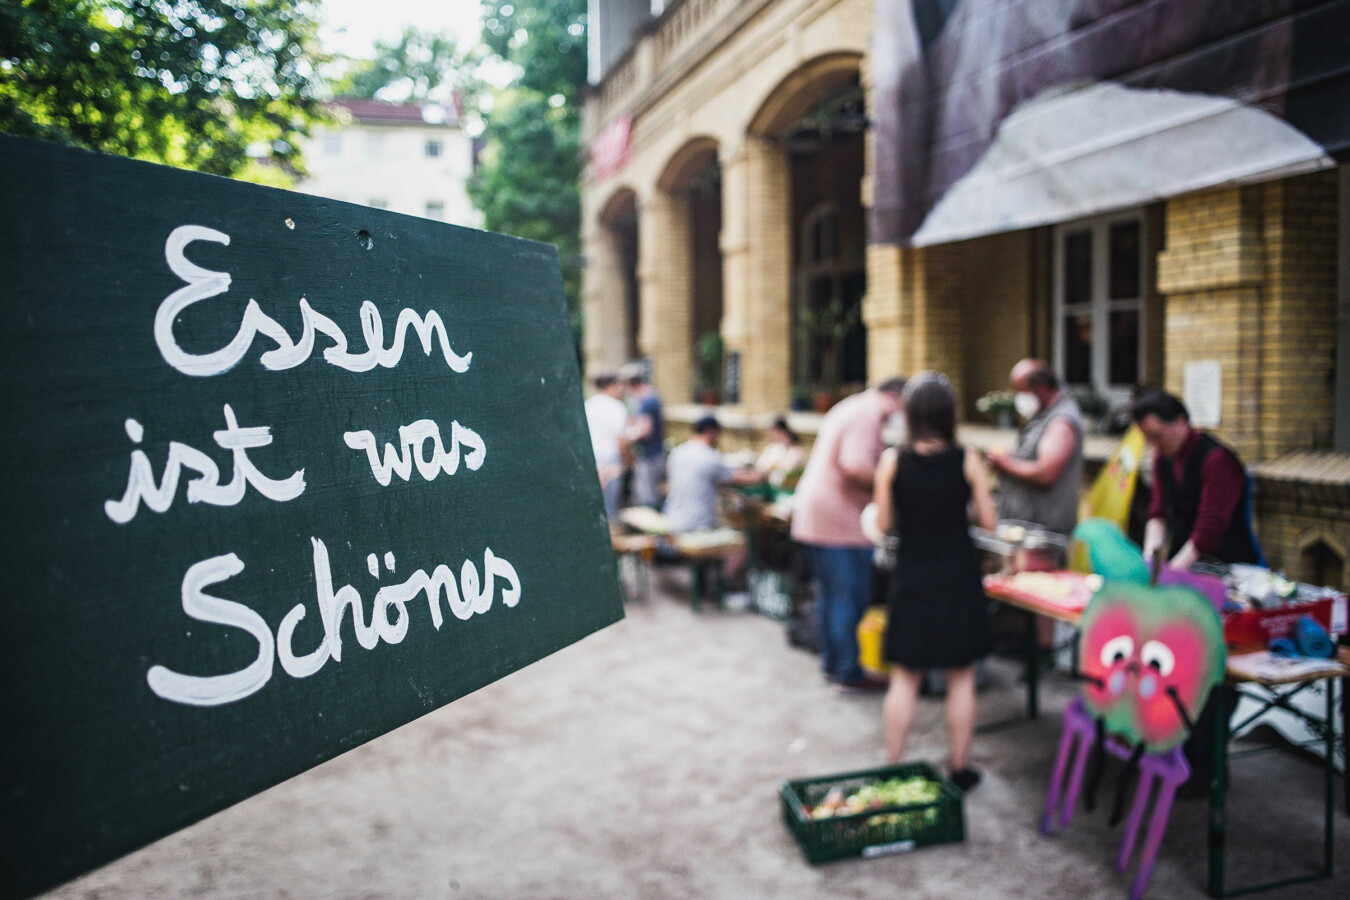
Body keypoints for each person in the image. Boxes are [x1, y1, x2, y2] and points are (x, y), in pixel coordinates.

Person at [874, 373, 997, 791]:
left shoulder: (892, 462)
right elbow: (989, 521)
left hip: (912, 577)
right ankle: (960, 769)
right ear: (949, 414)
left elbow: (884, 524)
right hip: (958, 577)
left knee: (904, 678)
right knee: (960, 676)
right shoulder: (967, 460)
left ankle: (893, 768)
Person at [791, 377, 907, 691]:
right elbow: (854, 466)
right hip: (839, 523)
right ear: (894, 398)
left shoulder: (851, 407)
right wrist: (890, 483)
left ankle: (834, 663)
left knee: (831, 596)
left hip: (817, 517)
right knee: (848, 597)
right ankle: (847, 670)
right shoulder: (866, 415)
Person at [1132, 390, 1262, 568]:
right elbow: (1158, 512)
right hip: (1186, 562)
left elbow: (1209, 531)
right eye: (1147, 438)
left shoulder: (1217, 460)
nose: (1153, 444)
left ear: (1180, 422)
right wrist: (1150, 560)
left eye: (1156, 436)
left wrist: (1173, 571)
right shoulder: (1163, 458)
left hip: (1227, 564)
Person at [987, 359, 1084, 538]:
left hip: (1044, 535)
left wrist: (1006, 464)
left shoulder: (1061, 422)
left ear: (1040, 387)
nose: (1018, 397)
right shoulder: (1044, 414)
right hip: (1027, 529)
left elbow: (1046, 473)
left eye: (1021, 391)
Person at [663, 415, 759, 534]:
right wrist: (758, 475)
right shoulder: (710, 456)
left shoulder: (677, 453)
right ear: (711, 432)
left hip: (672, 518)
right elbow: (736, 478)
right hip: (697, 524)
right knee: (737, 539)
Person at [583, 371, 629, 519]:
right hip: (610, 458)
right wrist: (627, 459)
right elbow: (620, 439)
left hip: (591, 456)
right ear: (612, 385)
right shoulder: (616, 407)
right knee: (610, 505)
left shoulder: (588, 405)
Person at [621, 363, 666, 509]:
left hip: (650, 455)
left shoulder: (647, 401)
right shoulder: (650, 398)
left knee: (647, 496)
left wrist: (627, 438)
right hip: (654, 454)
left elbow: (645, 430)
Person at [755, 417, 806, 486]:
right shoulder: (772, 448)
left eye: (772, 431)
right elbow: (760, 465)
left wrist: (773, 467)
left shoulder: (796, 451)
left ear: (782, 432)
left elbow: (789, 470)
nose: (770, 434)